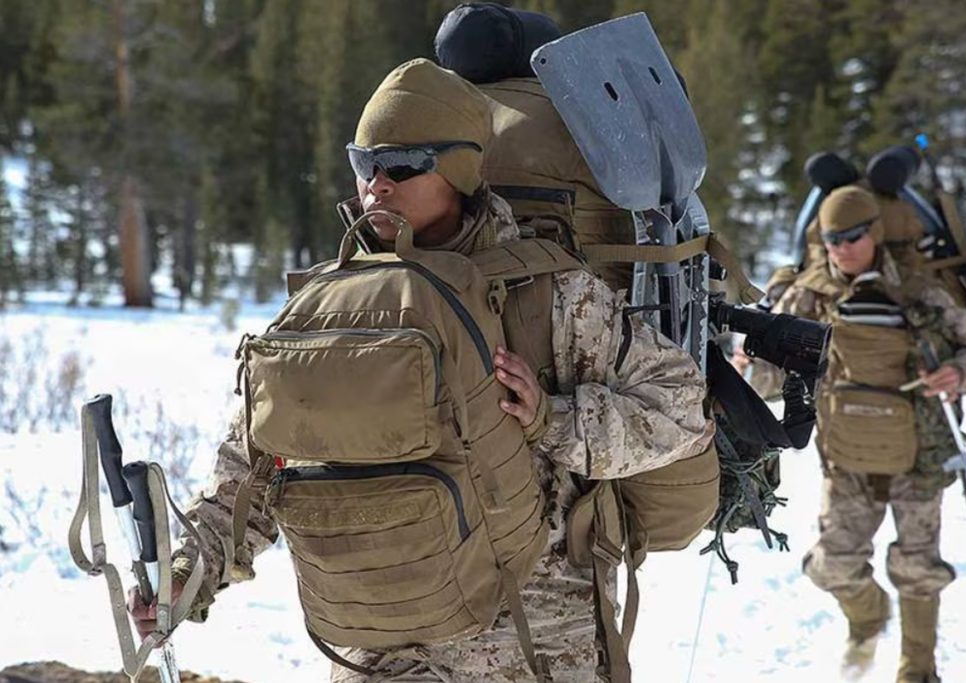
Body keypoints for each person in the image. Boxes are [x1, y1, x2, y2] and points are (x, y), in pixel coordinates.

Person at [130, 58, 716, 682]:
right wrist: (186, 576)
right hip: (380, 651)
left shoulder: (546, 294)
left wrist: (554, 420)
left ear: (462, 171)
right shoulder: (325, 315)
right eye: (365, 164)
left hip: (537, 643)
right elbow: (250, 474)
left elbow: (681, 408)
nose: (377, 185)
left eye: (404, 165)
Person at [737, 186, 966, 682]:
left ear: (875, 233)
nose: (843, 248)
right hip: (847, 457)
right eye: (833, 238)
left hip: (918, 454)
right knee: (832, 566)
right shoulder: (810, 295)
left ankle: (917, 669)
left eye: (854, 237)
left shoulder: (918, 290)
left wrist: (957, 373)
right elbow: (774, 373)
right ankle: (868, 616)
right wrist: (749, 368)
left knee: (919, 568)